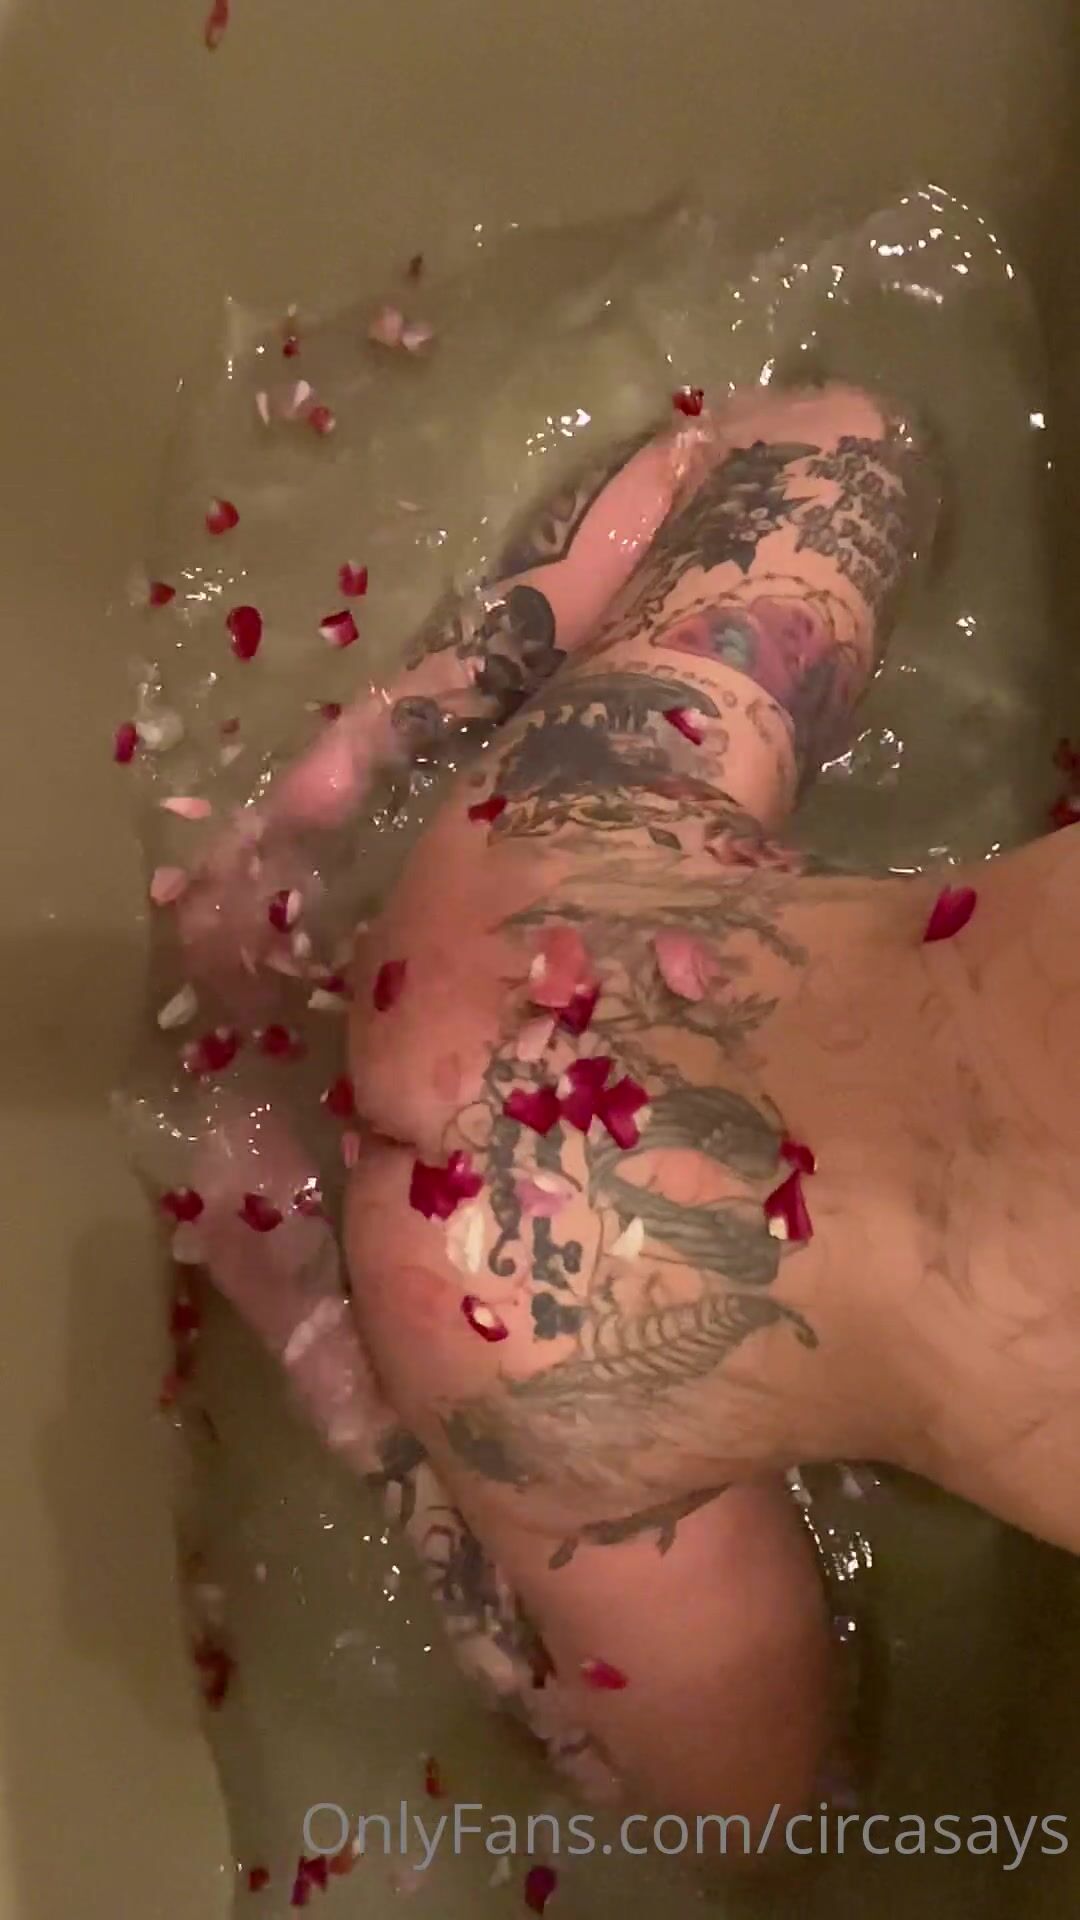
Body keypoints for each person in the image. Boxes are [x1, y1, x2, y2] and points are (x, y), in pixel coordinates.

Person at [180, 378, 1078, 1826]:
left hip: (568, 850)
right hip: (561, 1355)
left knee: (851, 441)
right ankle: (355, 1371)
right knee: (756, 1811)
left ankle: (350, 771)